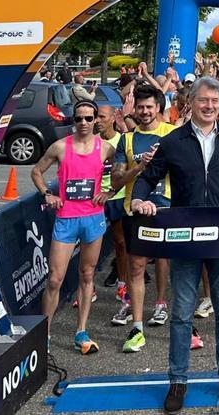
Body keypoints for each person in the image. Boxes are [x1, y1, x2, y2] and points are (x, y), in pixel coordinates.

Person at [131, 76, 219, 412]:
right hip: (184, 238)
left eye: (215, 103)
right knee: (181, 314)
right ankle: (177, 381)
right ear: (191, 102)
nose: (209, 108)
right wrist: (140, 200)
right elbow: (147, 178)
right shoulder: (173, 140)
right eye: (204, 101)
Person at [30, 100, 119, 354]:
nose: (83, 123)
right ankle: (44, 334)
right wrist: (47, 193)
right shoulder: (60, 147)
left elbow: (121, 171)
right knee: (55, 279)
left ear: (96, 121)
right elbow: (36, 172)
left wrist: (110, 191)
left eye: (89, 118)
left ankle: (81, 330)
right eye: (78, 118)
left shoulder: (106, 148)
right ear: (73, 120)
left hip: (93, 218)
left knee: (87, 274)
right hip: (67, 218)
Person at [111, 85, 177, 352]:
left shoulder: (172, 135)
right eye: (140, 107)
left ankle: (161, 304)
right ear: (134, 110)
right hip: (134, 209)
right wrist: (140, 167)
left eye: (150, 106)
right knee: (136, 267)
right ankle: (137, 327)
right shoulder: (126, 140)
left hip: (166, 207)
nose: (145, 111)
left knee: (164, 259)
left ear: (159, 108)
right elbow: (116, 180)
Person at [97, 106, 129, 304]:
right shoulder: (92, 142)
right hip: (95, 198)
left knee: (120, 243)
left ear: (112, 119)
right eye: (96, 117)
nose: (97, 121)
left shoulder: (122, 140)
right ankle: (88, 288)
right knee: (91, 244)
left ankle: (122, 284)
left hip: (118, 196)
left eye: (102, 117)